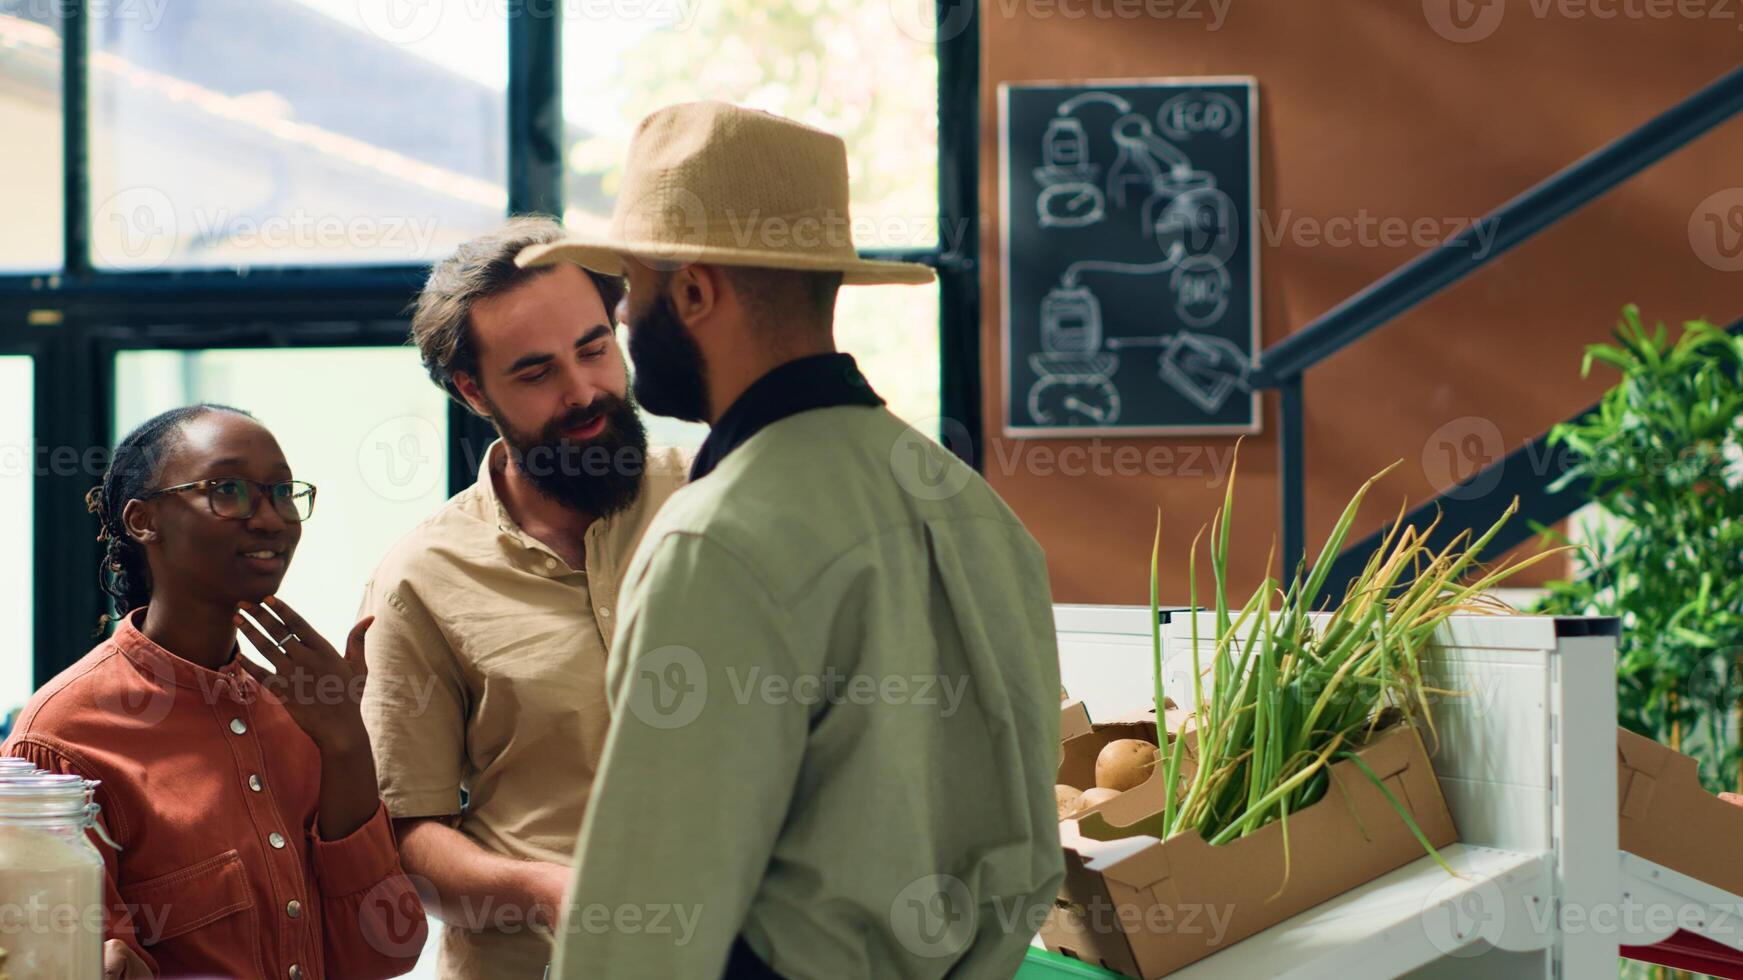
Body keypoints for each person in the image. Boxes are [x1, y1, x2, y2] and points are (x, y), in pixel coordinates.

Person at [517, 102, 1065, 979]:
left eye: (634, 290)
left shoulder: (717, 535)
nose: (622, 319)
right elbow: (1024, 841)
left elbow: (644, 928)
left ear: (695, 292)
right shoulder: (973, 508)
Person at [357, 217, 688, 978]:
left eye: (595, 349)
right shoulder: (419, 580)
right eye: (536, 374)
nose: (582, 392)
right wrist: (543, 893)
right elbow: (406, 835)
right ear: (473, 389)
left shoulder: (720, 494)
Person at [3, 404, 427, 980]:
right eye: (228, 489)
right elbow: (80, 967)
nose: (271, 518)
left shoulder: (307, 710)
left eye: (281, 491)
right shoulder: (61, 740)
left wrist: (346, 742)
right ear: (142, 520)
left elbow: (384, 955)